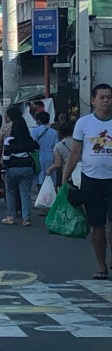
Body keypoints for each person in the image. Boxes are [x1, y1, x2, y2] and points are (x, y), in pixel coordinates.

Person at [62, 83, 112, 280]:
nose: (106, 101)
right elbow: (75, 153)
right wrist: (65, 178)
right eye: (102, 97)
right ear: (93, 100)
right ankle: (101, 265)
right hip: (91, 180)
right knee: (97, 225)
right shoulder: (84, 123)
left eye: (109, 97)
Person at [1, 114, 39, 225]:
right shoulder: (28, 139)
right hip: (27, 168)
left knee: (10, 192)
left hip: (12, 168)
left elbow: (6, 157)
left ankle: (10, 217)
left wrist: (3, 170)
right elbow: (37, 147)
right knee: (25, 193)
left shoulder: (9, 140)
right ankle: (26, 219)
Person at [30, 111, 57, 190]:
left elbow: (32, 144)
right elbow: (56, 146)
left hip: (38, 155)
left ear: (39, 120)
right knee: (51, 176)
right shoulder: (54, 132)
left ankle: (40, 193)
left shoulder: (34, 131)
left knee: (39, 176)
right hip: (51, 156)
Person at [46, 121, 74, 189]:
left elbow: (58, 164)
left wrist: (49, 169)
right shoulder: (79, 143)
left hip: (68, 174)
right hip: (81, 173)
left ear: (60, 133)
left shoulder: (58, 146)